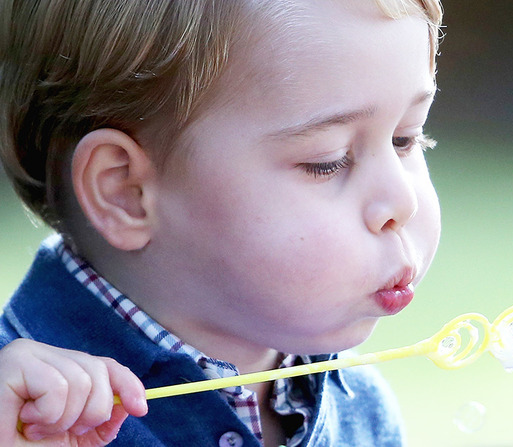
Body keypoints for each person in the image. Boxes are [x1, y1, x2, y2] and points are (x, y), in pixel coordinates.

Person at [0, 0, 443, 445]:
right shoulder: (23, 420)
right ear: (126, 193)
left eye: (406, 139)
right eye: (326, 161)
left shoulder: (359, 406)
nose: (402, 201)